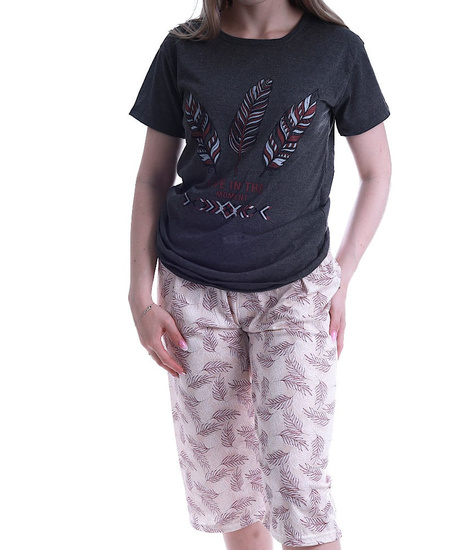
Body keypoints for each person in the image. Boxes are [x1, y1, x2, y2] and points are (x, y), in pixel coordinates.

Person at [128, 0, 391, 548]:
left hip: (295, 290)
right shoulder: (184, 47)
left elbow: (377, 172)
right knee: (229, 485)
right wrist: (139, 295)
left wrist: (341, 277)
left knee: (298, 487)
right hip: (192, 294)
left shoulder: (336, 50)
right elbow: (152, 176)